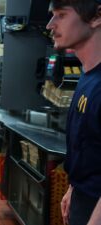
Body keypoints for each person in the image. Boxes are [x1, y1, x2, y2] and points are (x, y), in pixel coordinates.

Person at [46, 0, 101, 224]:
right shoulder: (87, 74)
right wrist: (74, 187)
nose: (50, 24)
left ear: (97, 17)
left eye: (61, 15)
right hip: (83, 197)